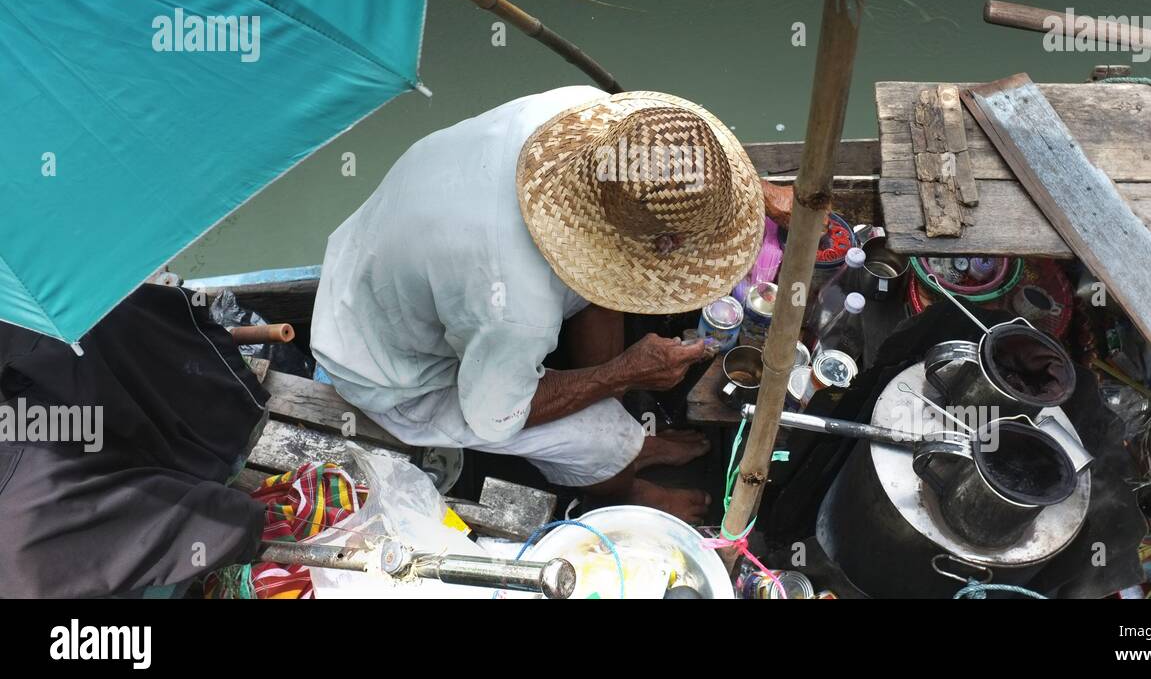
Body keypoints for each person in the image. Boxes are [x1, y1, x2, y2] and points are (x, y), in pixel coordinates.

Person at [311, 86, 792, 522]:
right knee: (604, 438)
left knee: (610, 299)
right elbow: (494, 416)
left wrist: (749, 193)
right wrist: (624, 372)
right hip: (391, 369)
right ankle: (629, 484)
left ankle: (629, 429)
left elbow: (664, 160)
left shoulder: (583, 117)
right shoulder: (515, 306)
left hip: (375, 263)